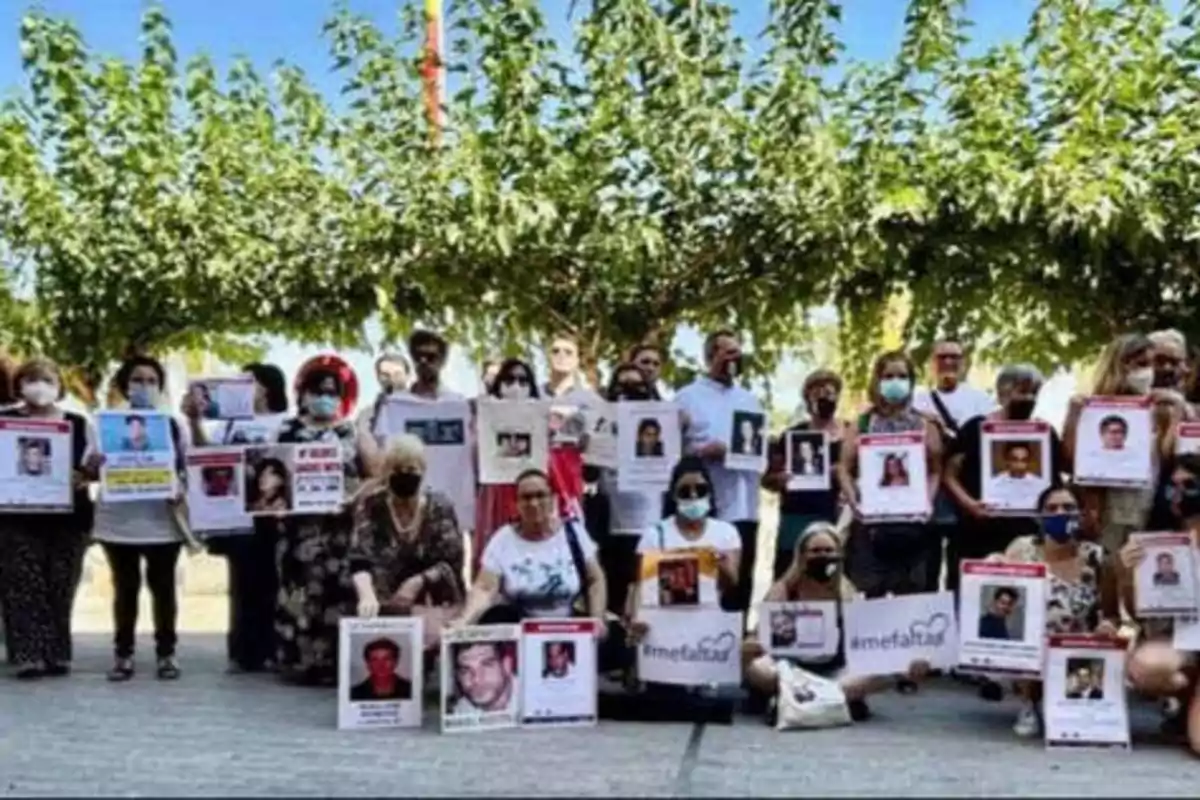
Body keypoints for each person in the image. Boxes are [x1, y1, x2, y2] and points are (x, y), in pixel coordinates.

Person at [743, 523, 931, 724]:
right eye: (815, 551)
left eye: (828, 551)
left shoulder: (847, 592)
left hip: (834, 672)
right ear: (802, 555)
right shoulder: (783, 590)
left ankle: (795, 701)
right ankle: (829, 700)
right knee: (756, 667)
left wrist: (904, 667)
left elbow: (870, 644)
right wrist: (750, 649)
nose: (822, 556)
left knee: (882, 672)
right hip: (788, 669)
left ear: (839, 554)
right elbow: (758, 636)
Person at [452, 469, 630, 672]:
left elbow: (595, 578)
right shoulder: (503, 540)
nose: (534, 503)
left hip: (569, 624)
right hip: (522, 629)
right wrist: (465, 621)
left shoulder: (573, 533)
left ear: (553, 498)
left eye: (540, 495)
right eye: (526, 497)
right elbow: (484, 588)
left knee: (620, 643)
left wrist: (597, 618)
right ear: (517, 503)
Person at [274, 354, 379, 686]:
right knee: (299, 594)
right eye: (317, 390)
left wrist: (354, 497)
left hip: (340, 530)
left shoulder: (351, 433)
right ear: (303, 393)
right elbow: (268, 475)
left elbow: (377, 476)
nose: (324, 397)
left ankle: (337, 664)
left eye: (332, 391)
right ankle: (299, 663)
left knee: (339, 593)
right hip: (297, 532)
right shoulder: (287, 431)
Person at [987, 484, 1120, 736]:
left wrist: (1108, 626)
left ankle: (1069, 705)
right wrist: (992, 566)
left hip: (1077, 647)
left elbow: (1112, 613)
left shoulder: (1097, 557)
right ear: (1039, 516)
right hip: (1030, 647)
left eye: (1068, 508)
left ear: (1081, 514)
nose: (1060, 513)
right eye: (1052, 508)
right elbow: (1002, 591)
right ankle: (1027, 702)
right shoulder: (1022, 549)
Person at [185, 362, 289, 673]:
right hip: (237, 514)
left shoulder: (284, 422)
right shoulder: (228, 424)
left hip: (274, 513)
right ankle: (244, 651)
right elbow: (206, 454)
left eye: (250, 381)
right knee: (242, 584)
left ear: (268, 387)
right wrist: (194, 421)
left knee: (274, 582)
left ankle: (274, 648)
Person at [93, 354, 187, 682]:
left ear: (160, 387)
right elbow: (89, 470)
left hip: (163, 522)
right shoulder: (104, 424)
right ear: (124, 385)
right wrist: (95, 463)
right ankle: (123, 655)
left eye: (151, 381)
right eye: (137, 380)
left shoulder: (172, 425)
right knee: (125, 588)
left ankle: (166, 654)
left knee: (164, 590)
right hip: (118, 522)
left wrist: (180, 488)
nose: (144, 386)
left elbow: (187, 469)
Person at [0, 358, 95, 679]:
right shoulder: (4, 421)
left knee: (60, 584)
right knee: (22, 584)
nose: (39, 385)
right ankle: (28, 655)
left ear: (59, 384)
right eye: (31, 378)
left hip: (69, 519)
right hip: (16, 517)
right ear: (20, 385)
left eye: (46, 378)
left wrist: (86, 474)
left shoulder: (79, 423)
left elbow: (92, 469)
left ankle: (56, 654)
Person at [943, 365, 1065, 594]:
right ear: (1003, 393)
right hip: (976, 534)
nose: (1029, 398)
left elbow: (1056, 483)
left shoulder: (1045, 433)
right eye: (1022, 391)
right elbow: (949, 474)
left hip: (1027, 535)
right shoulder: (975, 428)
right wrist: (969, 504)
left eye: (1034, 393)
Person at [676, 330, 765, 625]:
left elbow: (759, 450)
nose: (734, 359)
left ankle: (735, 647)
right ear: (710, 356)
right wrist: (703, 452)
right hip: (704, 504)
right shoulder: (686, 397)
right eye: (727, 353)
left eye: (738, 353)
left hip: (745, 505)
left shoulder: (751, 400)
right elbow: (673, 451)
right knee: (703, 578)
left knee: (740, 581)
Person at [1063, 333, 1182, 553]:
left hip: (1148, 511)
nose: (1147, 372)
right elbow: (1070, 463)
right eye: (1140, 365)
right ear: (1119, 367)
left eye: (1150, 364)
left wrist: (1178, 411)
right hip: (1106, 513)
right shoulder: (1091, 409)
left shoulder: (1159, 409)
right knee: (1109, 575)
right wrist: (1073, 415)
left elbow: (1169, 461)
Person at [839, 351, 944, 600]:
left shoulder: (925, 425)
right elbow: (843, 467)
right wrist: (854, 501)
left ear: (911, 381)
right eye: (888, 376)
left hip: (914, 528)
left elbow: (936, 470)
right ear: (877, 380)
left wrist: (927, 500)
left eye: (902, 376)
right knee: (869, 597)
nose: (895, 381)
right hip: (871, 528)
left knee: (913, 599)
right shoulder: (862, 424)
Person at [350, 435, 466, 648]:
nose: (404, 476)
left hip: (432, 600)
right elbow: (359, 558)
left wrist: (417, 582)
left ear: (423, 471)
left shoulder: (440, 505)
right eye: (396, 470)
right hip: (384, 599)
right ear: (386, 472)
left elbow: (451, 560)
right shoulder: (371, 505)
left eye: (411, 470)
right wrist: (366, 595)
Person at [1120, 452, 1200, 753]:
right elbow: (1136, 612)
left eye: (1190, 485)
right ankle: (1186, 699)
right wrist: (1127, 573)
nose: (1179, 494)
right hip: (1183, 642)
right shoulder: (1157, 542)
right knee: (1144, 666)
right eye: (1173, 485)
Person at [472, 359, 575, 577]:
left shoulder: (547, 420)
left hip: (532, 494)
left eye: (523, 380)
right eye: (509, 380)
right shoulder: (483, 418)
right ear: (498, 384)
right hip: (496, 496)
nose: (516, 386)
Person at [912, 338, 997, 593]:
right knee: (926, 568)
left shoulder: (982, 400)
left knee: (962, 569)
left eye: (955, 357)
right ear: (931, 364)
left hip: (967, 495)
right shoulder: (917, 400)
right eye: (942, 357)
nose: (948, 362)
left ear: (964, 363)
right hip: (929, 493)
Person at [598, 363, 671, 615]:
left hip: (649, 524)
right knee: (614, 602)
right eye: (622, 384)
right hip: (610, 527)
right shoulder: (601, 421)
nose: (628, 391)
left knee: (649, 601)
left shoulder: (662, 424)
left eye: (637, 386)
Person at [762, 369, 847, 580]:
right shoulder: (792, 436)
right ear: (807, 399)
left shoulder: (851, 433)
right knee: (790, 578)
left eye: (830, 391)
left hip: (837, 518)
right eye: (817, 392)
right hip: (796, 519)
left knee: (832, 581)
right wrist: (779, 480)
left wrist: (843, 475)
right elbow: (767, 478)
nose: (824, 396)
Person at [630, 457, 741, 614]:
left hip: (710, 617)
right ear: (674, 496)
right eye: (685, 492)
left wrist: (721, 565)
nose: (694, 496)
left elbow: (731, 583)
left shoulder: (726, 533)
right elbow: (642, 585)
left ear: (710, 492)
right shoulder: (654, 535)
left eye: (700, 490)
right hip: (664, 617)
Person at [448, 639, 516, 713]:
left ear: (507, 665)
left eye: (486, 665)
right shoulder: (460, 712)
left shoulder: (528, 696)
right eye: (465, 671)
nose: (476, 680)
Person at [407, 329, 464, 401]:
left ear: (443, 361)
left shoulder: (456, 402)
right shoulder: (397, 403)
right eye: (418, 356)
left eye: (430, 357)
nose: (423, 361)